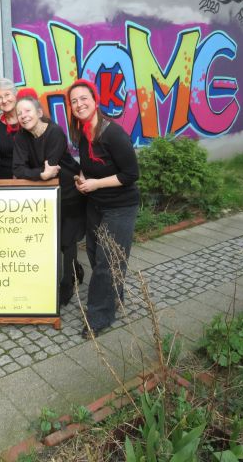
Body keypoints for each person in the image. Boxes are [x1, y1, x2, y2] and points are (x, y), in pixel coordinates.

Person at [67, 79, 139, 338]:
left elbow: (131, 174)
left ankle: (98, 318)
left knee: (107, 262)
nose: (79, 104)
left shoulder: (113, 134)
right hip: (97, 204)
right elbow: (88, 165)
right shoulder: (83, 133)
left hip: (120, 206)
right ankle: (114, 298)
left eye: (83, 98)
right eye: (74, 101)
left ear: (95, 100)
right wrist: (82, 178)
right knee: (97, 255)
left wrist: (96, 184)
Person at [13, 90, 85, 306]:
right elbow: (18, 168)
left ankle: (67, 283)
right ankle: (75, 269)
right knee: (54, 241)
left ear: (39, 112)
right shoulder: (21, 137)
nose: (23, 116)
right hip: (44, 195)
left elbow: (51, 168)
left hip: (68, 190)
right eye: (19, 113)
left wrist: (37, 173)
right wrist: (40, 174)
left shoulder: (55, 132)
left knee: (67, 240)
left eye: (27, 111)